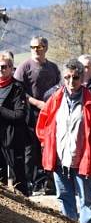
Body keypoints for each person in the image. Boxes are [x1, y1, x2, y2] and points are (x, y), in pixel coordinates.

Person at [35, 58, 91, 223]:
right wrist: (46, 143)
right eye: (67, 77)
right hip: (59, 159)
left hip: (82, 158)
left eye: (76, 77)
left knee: (87, 200)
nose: (71, 82)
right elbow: (43, 124)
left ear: (82, 77)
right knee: (64, 198)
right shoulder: (55, 98)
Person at [15, 35, 60, 193]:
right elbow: (18, 92)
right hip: (30, 113)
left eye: (39, 47)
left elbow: (59, 89)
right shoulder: (24, 67)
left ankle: (47, 183)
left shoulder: (53, 68)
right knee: (31, 149)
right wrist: (37, 103)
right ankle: (29, 184)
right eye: (32, 47)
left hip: (51, 113)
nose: (36, 50)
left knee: (49, 147)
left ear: (45, 48)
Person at [0, 50, 29, 196]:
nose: (1, 70)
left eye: (4, 67)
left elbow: (19, 114)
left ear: (11, 69)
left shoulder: (18, 87)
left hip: (13, 137)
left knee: (18, 177)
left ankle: (26, 210)